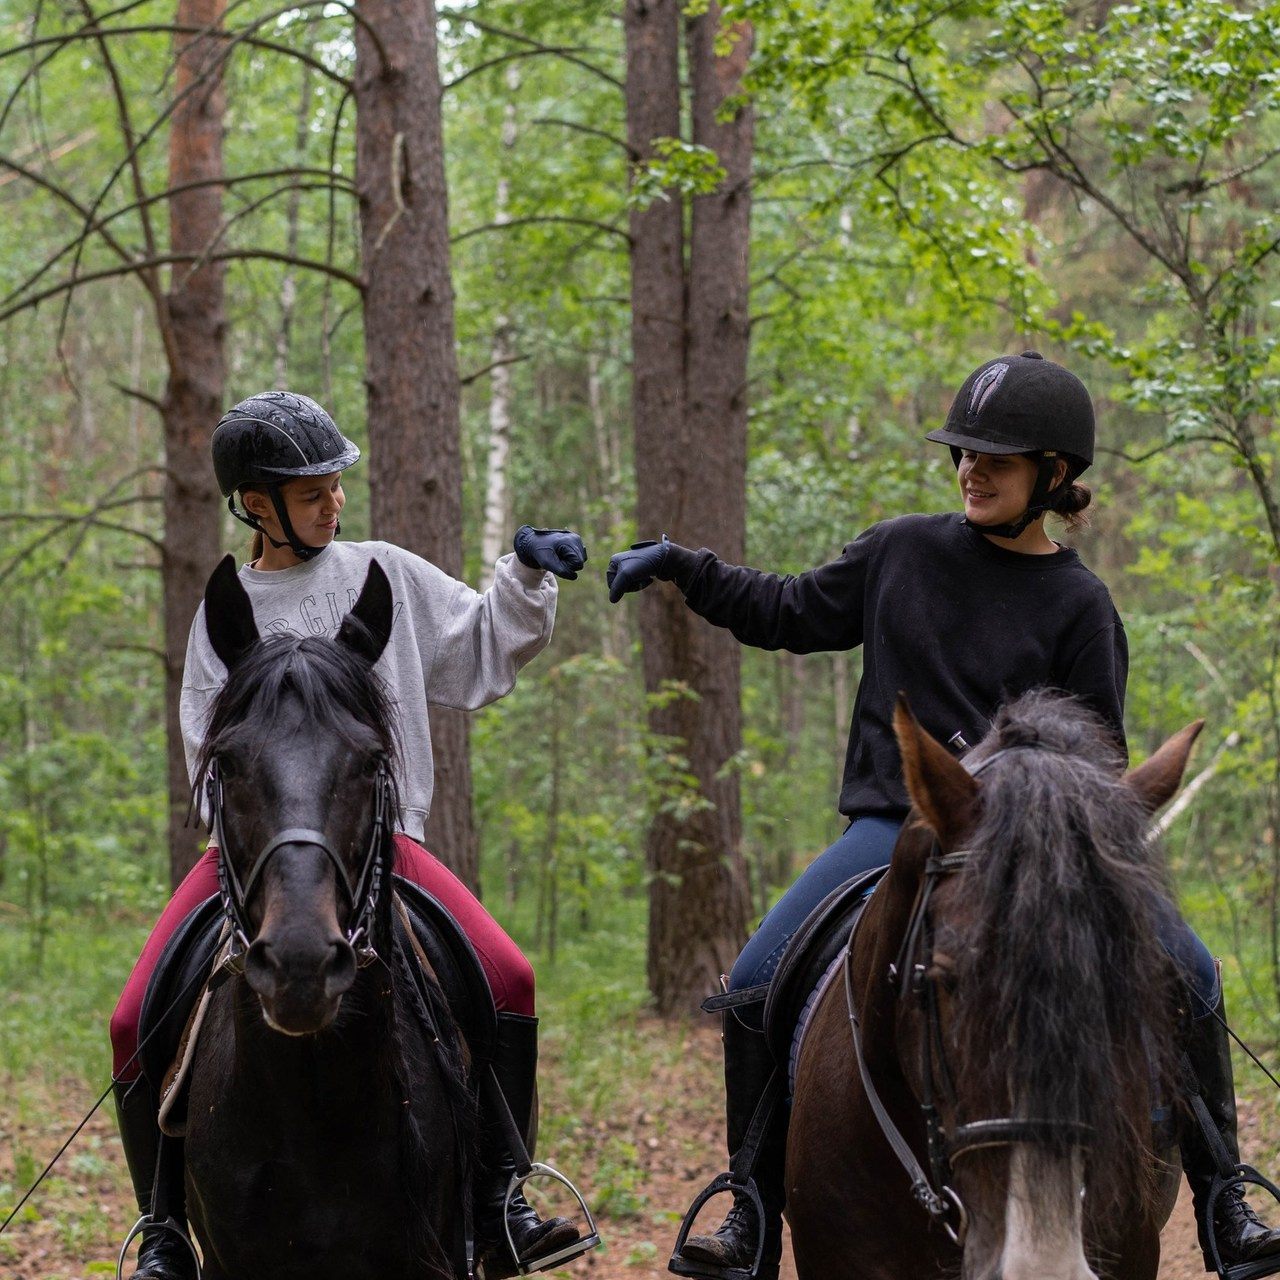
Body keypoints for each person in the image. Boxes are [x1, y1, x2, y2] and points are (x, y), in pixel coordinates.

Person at [606, 351, 1280, 1280]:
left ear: (1055, 475)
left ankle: (1223, 1199)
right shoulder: (900, 552)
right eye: (964, 451)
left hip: (1030, 850)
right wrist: (687, 566)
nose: (971, 469)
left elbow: (1100, 769)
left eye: (996, 459)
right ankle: (750, 1205)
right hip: (894, 826)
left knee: (1195, 976)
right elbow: (789, 611)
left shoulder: (1083, 605)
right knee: (758, 983)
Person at [110, 389, 596, 1280]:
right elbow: (208, 754)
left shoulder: (386, 575)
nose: (334, 500)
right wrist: (263, 855)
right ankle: (167, 1229)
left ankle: (501, 1199)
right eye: (311, 490)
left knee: (511, 977)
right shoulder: (226, 616)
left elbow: (481, 650)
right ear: (257, 504)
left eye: (335, 484)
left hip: (385, 847)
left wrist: (524, 578)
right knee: (132, 1017)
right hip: (251, 862)